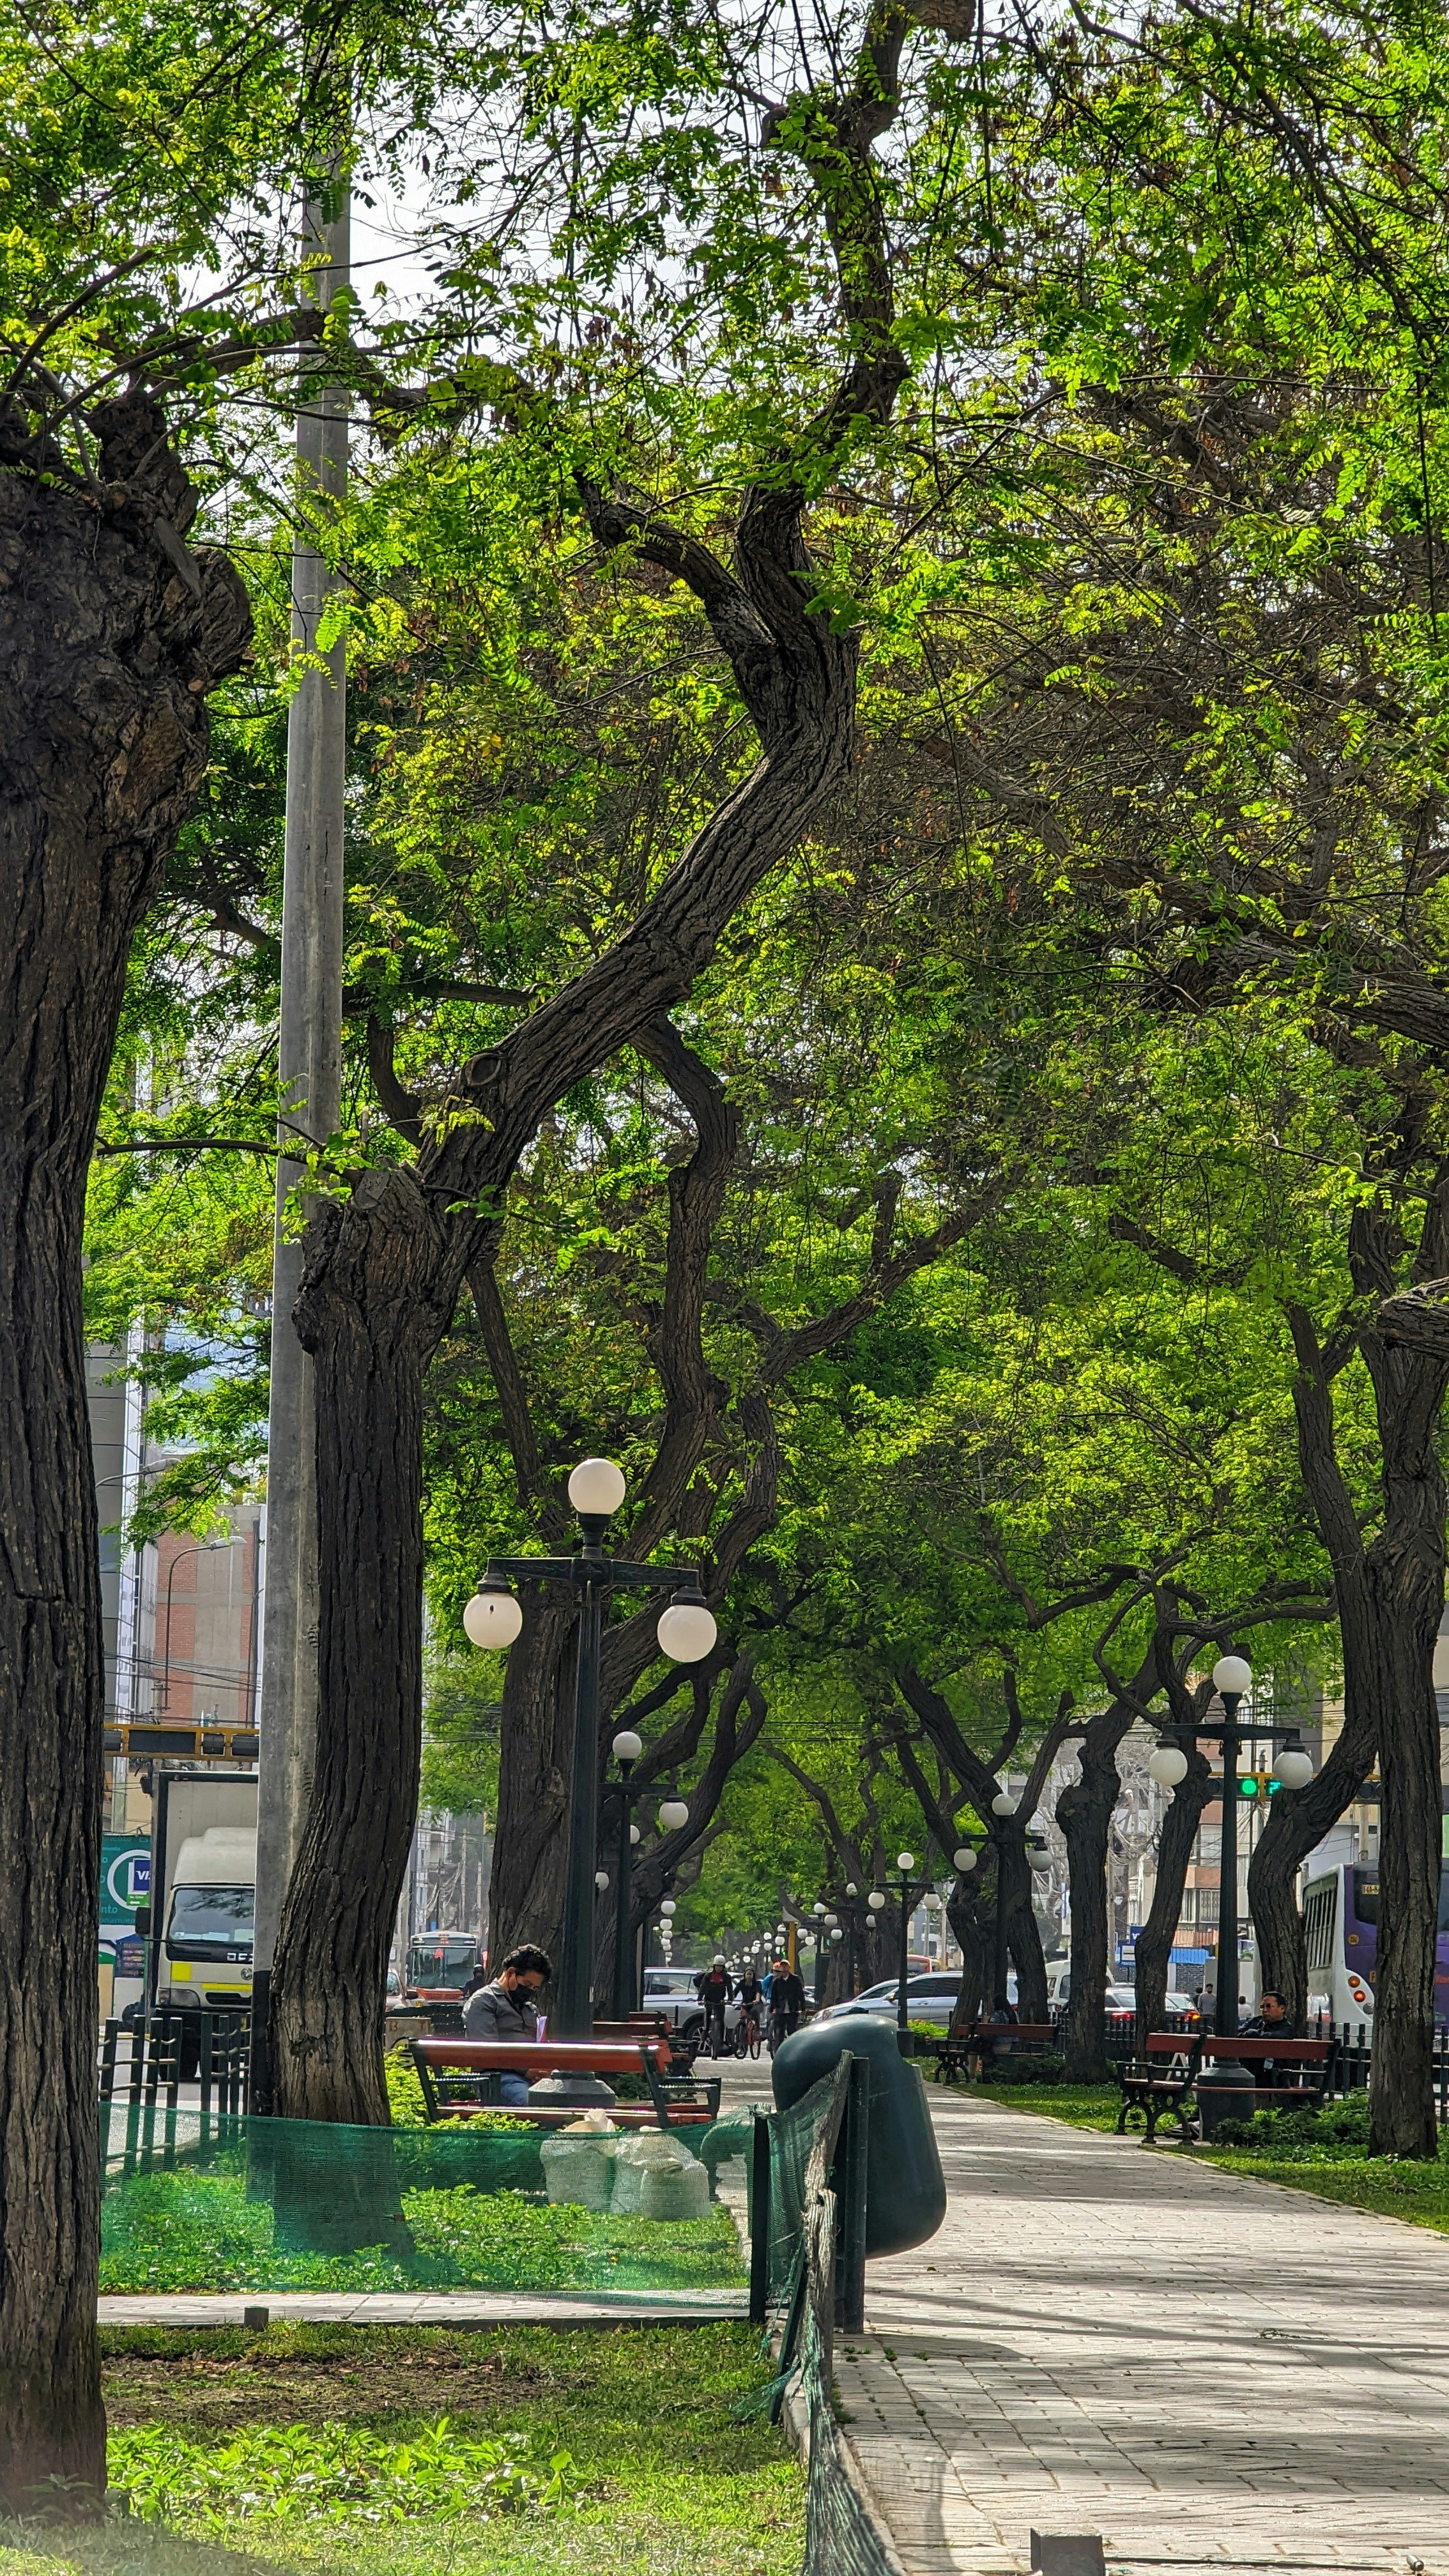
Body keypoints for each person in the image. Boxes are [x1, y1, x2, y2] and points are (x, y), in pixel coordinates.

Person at [462, 1943, 553, 2105]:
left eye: (535, 1988)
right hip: (497, 2078)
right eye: (527, 1984)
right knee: (535, 2104)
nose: (530, 1991)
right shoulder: (484, 2001)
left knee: (570, 2102)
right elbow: (486, 2053)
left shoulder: (530, 2010)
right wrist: (525, 2070)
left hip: (531, 2080)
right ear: (511, 1973)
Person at [1238, 1987, 1298, 2088]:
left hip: (1274, 2076)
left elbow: (1273, 2037)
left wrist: (1252, 2034)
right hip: (1248, 2071)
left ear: (1282, 2009)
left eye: (1269, 2006)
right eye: (1263, 2007)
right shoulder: (1255, 2021)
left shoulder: (1286, 2029)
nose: (1265, 2010)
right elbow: (1237, 2032)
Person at [694, 1955, 734, 2055]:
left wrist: (730, 1999)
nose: (719, 1968)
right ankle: (704, 2035)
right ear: (714, 1966)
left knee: (720, 2022)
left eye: (721, 1967)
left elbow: (730, 1989)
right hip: (709, 2001)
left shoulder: (726, 1977)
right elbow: (703, 1987)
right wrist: (700, 1999)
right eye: (717, 1966)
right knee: (707, 2021)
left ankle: (722, 2042)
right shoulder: (708, 1976)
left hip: (720, 2002)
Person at [767, 1954, 806, 2051]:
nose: (783, 1968)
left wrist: (803, 2008)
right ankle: (778, 2051)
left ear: (789, 1968)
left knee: (792, 2032)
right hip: (780, 2011)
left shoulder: (795, 1980)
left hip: (792, 2011)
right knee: (779, 2033)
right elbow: (774, 1997)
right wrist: (772, 2009)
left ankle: (793, 2051)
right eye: (782, 1966)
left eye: (785, 1966)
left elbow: (801, 1995)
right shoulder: (777, 1982)